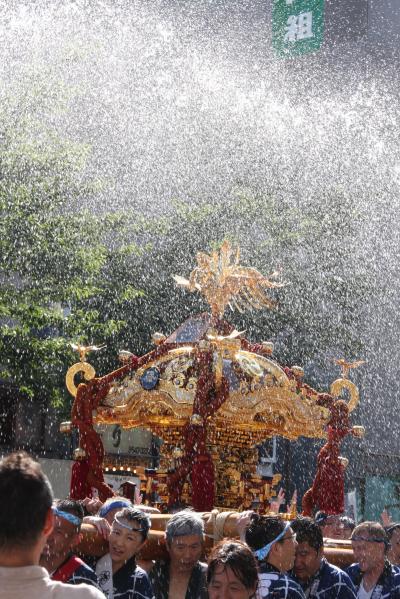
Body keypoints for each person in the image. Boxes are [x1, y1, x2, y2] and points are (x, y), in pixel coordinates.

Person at [0, 451, 104, 599]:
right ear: (49, 523)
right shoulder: (84, 596)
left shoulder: (84, 578)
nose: (52, 538)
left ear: (76, 538)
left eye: (60, 532)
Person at [40, 498, 100, 587]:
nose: (48, 535)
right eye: (47, 526)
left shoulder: (83, 580)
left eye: (58, 531)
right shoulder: (21, 564)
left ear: (75, 540)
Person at [95, 506, 154, 598]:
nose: (119, 543)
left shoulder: (139, 580)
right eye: (117, 532)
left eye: (129, 538)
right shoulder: (92, 562)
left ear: (141, 544)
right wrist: (90, 520)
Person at [291, 517, 356, 598]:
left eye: (304, 554)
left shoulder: (338, 583)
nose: (297, 562)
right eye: (293, 553)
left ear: (321, 551)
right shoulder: (284, 577)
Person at [149, 510, 208, 599]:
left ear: (202, 545)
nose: (188, 555)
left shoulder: (210, 576)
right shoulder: (152, 572)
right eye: (180, 547)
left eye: (194, 547)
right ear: (168, 546)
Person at [245, 514, 305, 598]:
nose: (296, 544)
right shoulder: (288, 590)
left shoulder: (240, 581)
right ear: (277, 548)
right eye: (292, 538)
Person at [347, 521, 400, 598]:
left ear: (380, 547)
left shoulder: (397, 581)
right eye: (354, 549)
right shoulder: (349, 574)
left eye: (362, 548)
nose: (356, 555)